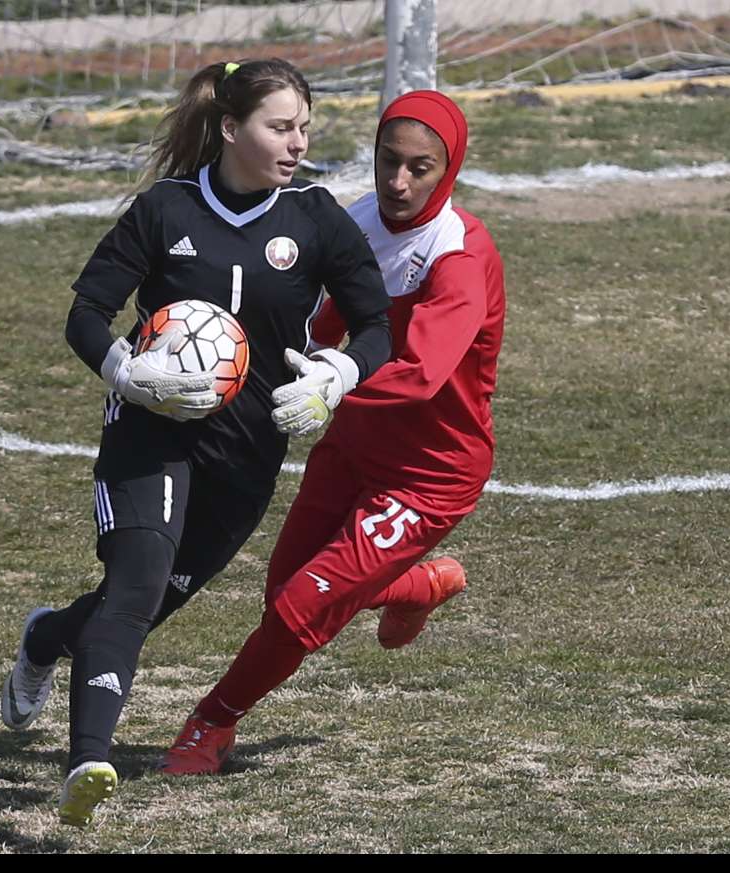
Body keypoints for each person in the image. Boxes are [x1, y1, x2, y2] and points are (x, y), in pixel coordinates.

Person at [0, 58, 392, 827]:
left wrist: (337, 373)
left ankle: (47, 635)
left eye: (305, 127)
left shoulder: (314, 218)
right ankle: (88, 759)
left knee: (143, 606)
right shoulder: (165, 211)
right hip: (150, 433)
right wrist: (126, 373)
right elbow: (86, 313)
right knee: (137, 582)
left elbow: (378, 324)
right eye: (281, 127)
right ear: (229, 129)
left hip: (246, 458)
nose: (298, 143)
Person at [157, 89, 507, 776]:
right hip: (351, 446)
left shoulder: (459, 261)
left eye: (420, 168)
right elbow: (315, 327)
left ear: (450, 168)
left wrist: (332, 380)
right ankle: (409, 588)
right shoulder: (357, 224)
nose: (398, 183)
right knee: (285, 588)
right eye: (387, 162)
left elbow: (422, 372)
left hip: (428, 475)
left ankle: (210, 724)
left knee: (297, 610)